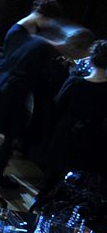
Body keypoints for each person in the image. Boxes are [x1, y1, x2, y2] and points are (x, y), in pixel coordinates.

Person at [0, 19, 78, 183]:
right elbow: (36, 77)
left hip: (4, 88)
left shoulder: (34, 41)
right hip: (12, 95)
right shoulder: (43, 48)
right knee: (8, 138)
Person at [43, 39, 107, 183]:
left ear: (91, 59)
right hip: (92, 134)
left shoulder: (75, 82)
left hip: (67, 130)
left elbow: (58, 103)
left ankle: (44, 193)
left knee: (54, 168)